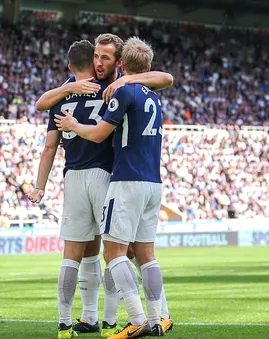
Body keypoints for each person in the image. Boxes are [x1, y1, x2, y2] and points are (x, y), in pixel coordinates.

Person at [28, 34, 173, 339]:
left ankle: (100, 319)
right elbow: (163, 78)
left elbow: (47, 126)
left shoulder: (109, 88)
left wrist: (72, 96)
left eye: (106, 57)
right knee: (116, 250)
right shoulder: (117, 87)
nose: (99, 62)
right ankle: (108, 318)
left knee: (107, 250)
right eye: (96, 56)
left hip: (106, 176)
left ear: (120, 63)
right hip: (113, 175)